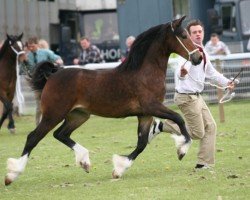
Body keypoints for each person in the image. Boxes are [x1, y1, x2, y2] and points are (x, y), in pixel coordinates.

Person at [148, 19, 235, 170]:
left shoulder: (202, 50)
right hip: (186, 97)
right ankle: (161, 126)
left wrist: (227, 82)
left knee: (211, 127)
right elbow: (180, 71)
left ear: (203, 33)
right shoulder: (186, 52)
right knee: (197, 133)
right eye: (194, 32)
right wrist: (182, 74)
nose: (198, 34)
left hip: (197, 96)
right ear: (189, 34)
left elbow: (211, 73)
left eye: (200, 31)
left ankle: (203, 164)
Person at [19, 36, 64, 125]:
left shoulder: (46, 52)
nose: (31, 48)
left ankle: (59, 120)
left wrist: (58, 62)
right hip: (37, 84)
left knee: (55, 102)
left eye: (33, 46)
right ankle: (38, 125)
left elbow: (58, 59)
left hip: (49, 83)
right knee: (39, 105)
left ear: (37, 44)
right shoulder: (27, 56)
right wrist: (25, 62)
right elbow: (24, 70)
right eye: (29, 47)